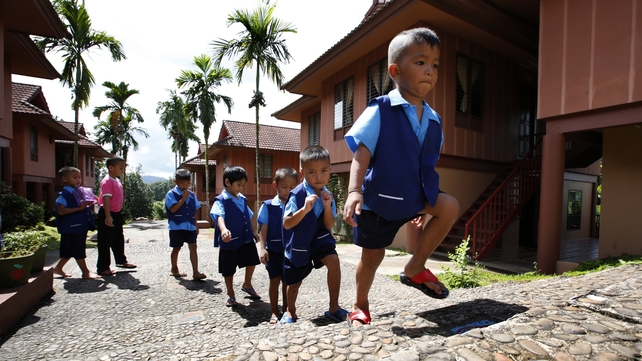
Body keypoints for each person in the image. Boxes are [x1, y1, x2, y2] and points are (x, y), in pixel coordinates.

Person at [343, 27, 460, 326]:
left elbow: (424, 161)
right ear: (395, 70)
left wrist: (421, 201)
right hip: (378, 200)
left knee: (448, 206)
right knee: (373, 257)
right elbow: (362, 153)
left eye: (434, 64)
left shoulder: (434, 119)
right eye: (421, 62)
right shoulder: (381, 109)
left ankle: (415, 266)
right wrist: (354, 190)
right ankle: (360, 304)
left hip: (412, 196)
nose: (430, 71)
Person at [280, 145, 347, 325]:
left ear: (330, 170)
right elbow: (286, 223)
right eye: (312, 172)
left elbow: (328, 225)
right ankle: (290, 311)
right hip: (299, 241)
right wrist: (304, 209)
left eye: (324, 171)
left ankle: (334, 307)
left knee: (333, 260)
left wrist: (327, 207)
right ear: (302, 173)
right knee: (294, 283)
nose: (319, 177)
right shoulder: (297, 195)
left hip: (319, 238)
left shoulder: (328, 195)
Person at [210, 166, 260, 307]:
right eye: (239, 184)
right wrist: (224, 229)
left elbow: (248, 216)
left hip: (245, 238)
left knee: (252, 261)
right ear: (227, 182)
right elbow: (219, 216)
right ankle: (230, 293)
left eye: (243, 185)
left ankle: (247, 283)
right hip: (229, 240)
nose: (241, 188)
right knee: (228, 269)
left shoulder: (242, 199)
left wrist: (253, 232)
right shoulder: (221, 200)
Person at [257, 167, 298, 324]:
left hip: (290, 251)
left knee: (288, 282)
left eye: (292, 187)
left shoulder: (296, 205)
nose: (288, 191)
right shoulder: (268, 206)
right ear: (275, 185)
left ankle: (288, 310)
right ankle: (274, 311)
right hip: (273, 250)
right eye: (284, 187)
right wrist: (262, 248)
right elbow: (263, 228)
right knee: (274, 280)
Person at [51, 166, 100, 279]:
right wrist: (79, 208)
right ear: (64, 179)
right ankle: (86, 273)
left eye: (79, 177)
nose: (78, 180)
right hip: (72, 227)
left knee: (69, 250)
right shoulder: (64, 194)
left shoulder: (79, 192)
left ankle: (58, 268)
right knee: (78, 250)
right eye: (74, 177)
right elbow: (61, 211)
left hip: (80, 226)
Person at [96, 157, 137, 275]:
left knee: (118, 238)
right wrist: (108, 216)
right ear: (111, 168)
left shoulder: (116, 180)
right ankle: (103, 267)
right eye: (120, 168)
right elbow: (106, 198)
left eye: (123, 168)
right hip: (108, 213)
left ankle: (121, 260)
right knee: (105, 241)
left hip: (117, 213)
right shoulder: (107, 181)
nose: (122, 170)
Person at [165, 169, 206, 280]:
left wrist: (196, 225)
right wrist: (183, 199)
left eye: (187, 183)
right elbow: (173, 209)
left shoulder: (192, 195)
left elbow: (195, 210)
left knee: (193, 247)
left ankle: (196, 272)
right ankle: (174, 269)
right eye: (182, 183)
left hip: (190, 226)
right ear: (176, 181)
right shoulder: (171, 194)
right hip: (176, 227)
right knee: (176, 248)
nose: (185, 185)